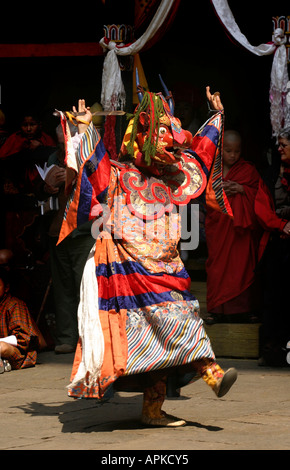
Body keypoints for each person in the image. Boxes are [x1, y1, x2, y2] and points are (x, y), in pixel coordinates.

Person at [55, 85, 239, 428]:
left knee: (181, 318)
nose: (173, 142)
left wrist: (216, 118)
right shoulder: (121, 174)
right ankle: (202, 377)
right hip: (129, 270)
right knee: (157, 337)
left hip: (167, 266)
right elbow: (92, 165)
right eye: (165, 134)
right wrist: (83, 128)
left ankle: (178, 393)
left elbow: (200, 151)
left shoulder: (173, 176)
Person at [205, 130, 290, 324]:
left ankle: (244, 310)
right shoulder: (212, 169)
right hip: (219, 228)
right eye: (228, 151)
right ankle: (217, 310)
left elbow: (260, 197)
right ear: (220, 150)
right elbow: (204, 194)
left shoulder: (247, 171)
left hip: (240, 232)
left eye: (237, 151)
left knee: (242, 267)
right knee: (217, 267)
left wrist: (243, 189)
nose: (233, 155)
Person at [44, 124, 95, 354]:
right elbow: (39, 189)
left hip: (82, 231)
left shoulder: (90, 156)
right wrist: (46, 186)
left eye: (66, 141)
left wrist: (76, 175)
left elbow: (100, 186)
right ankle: (66, 336)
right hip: (57, 230)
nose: (63, 146)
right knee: (62, 286)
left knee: (84, 285)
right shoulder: (53, 158)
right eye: (60, 142)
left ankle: (88, 337)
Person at [259, 127, 290, 366]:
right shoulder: (270, 175)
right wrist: (281, 225)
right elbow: (261, 210)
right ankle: (273, 350)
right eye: (278, 145)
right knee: (274, 295)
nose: (279, 149)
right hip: (275, 243)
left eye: (284, 145)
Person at [0, 266, 40, 371]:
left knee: (1, 347)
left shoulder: (14, 305)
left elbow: (21, 339)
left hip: (18, 352)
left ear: (6, 287)